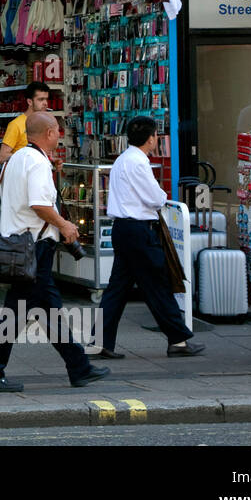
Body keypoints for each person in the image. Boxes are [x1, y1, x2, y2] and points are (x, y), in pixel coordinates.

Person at [0, 112, 110, 392]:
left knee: (35, 310)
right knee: (29, 310)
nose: (60, 135)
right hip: (34, 247)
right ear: (48, 133)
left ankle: (77, 366)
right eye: (58, 131)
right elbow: (38, 204)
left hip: (19, 245)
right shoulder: (36, 162)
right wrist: (65, 225)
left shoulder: (15, 160)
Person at [96, 116, 204, 359]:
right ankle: (177, 340)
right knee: (158, 283)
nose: (157, 139)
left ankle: (100, 341)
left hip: (123, 229)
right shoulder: (139, 162)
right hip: (138, 230)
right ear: (151, 138)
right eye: (156, 135)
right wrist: (163, 193)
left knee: (117, 288)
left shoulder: (122, 160)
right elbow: (155, 198)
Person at [0, 81, 51, 164]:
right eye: (41, 99)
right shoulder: (16, 125)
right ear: (29, 102)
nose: (45, 103)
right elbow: (2, 157)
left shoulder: (45, 123)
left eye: (46, 99)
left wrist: (51, 160)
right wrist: (28, 158)